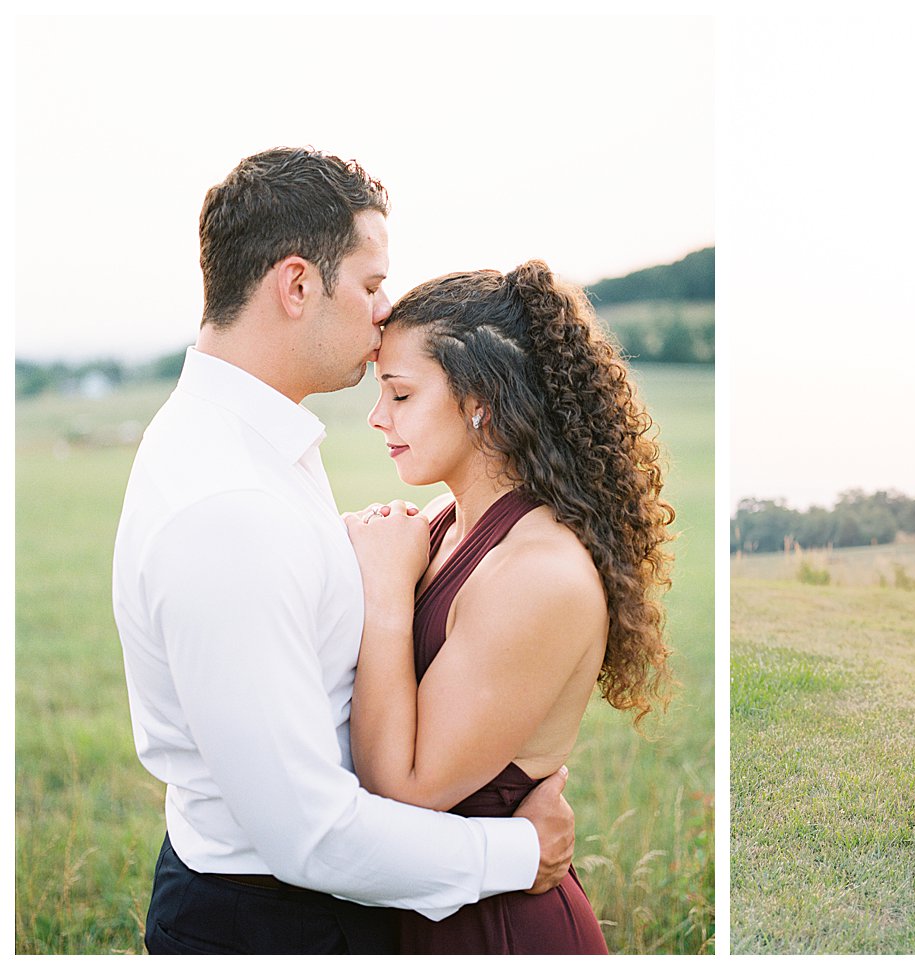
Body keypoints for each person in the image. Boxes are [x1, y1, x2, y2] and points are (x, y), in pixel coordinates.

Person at [112, 148, 574, 955]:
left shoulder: (252, 444)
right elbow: (311, 835)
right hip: (271, 921)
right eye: (369, 284)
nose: (384, 310)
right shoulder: (228, 507)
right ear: (297, 286)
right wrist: (522, 851)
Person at [343, 260, 675, 954]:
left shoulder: (539, 573)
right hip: (426, 912)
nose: (378, 417)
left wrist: (384, 596)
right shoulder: (437, 522)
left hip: (498, 932)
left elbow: (403, 789)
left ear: (479, 400)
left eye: (400, 395)